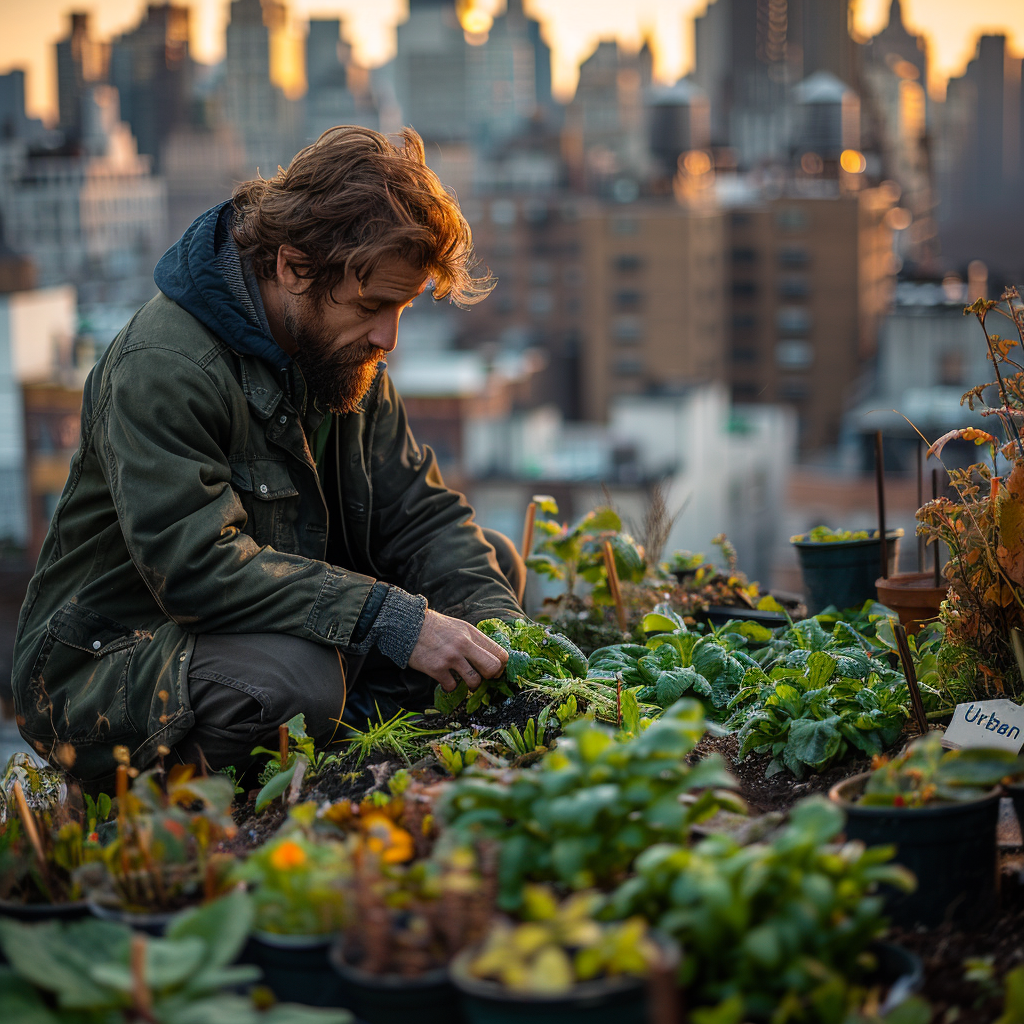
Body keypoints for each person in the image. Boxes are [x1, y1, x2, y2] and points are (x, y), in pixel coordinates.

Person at [11, 126, 525, 787]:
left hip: (263, 629)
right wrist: (392, 621)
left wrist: (511, 646)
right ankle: (175, 808)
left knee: (485, 576)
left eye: (404, 307)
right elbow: (198, 570)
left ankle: (350, 733)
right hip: (113, 663)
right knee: (295, 682)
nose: (389, 336)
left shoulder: (342, 352)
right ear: (291, 266)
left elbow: (420, 516)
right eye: (374, 305)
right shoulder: (165, 367)